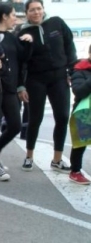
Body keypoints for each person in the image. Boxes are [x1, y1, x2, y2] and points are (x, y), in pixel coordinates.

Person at [18, 0, 77, 172]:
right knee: (35, 118)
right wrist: (20, 86)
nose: (36, 12)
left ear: (43, 9)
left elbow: (69, 46)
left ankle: (57, 160)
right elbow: (20, 62)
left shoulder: (57, 22)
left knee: (63, 116)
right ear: (27, 13)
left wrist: (71, 71)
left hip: (59, 78)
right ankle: (29, 156)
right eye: (32, 10)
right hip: (35, 80)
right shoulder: (22, 32)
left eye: (39, 9)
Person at [0, 3, 33, 181]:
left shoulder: (12, 37)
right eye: (13, 16)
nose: (15, 19)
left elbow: (23, 59)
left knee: (15, 125)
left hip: (10, 88)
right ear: (4, 17)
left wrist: (27, 43)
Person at [69, 44, 91, 185]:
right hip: (85, 112)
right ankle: (75, 171)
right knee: (80, 143)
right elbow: (78, 91)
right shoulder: (80, 69)